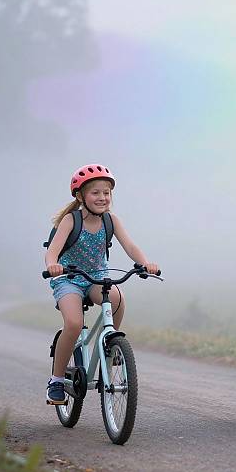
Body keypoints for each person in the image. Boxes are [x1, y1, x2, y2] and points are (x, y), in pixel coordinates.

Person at [44, 163, 159, 404]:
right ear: (80, 196)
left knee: (117, 299)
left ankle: (110, 344)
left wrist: (145, 263)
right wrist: (53, 265)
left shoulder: (111, 221)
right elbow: (52, 252)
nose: (102, 197)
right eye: (95, 192)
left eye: (106, 193)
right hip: (69, 278)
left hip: (96, 276)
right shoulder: (70, 220)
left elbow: (130, 246)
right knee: (74, 323)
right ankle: (56, 380)